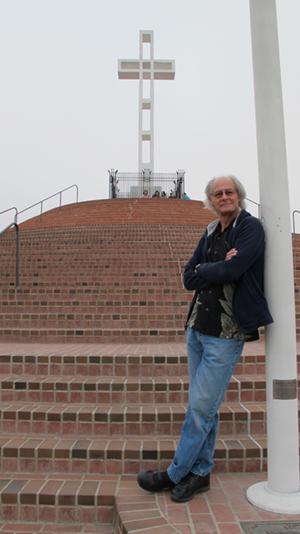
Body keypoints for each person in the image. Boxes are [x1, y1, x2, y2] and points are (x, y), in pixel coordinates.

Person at [137, 174, 273, 502]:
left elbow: (233, 270)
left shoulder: (250, 227)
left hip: (227, 332)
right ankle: (201, 472)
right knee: (204, 404)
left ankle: (176, 472)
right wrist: (212, 268)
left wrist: (206, 270)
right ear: (210, 200)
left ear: (238, 195)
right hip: (198, 329)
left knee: (200, 405)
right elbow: (187, 277)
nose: (224, 196)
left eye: (229, 191)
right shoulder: (211, 232)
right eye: (218, 193)